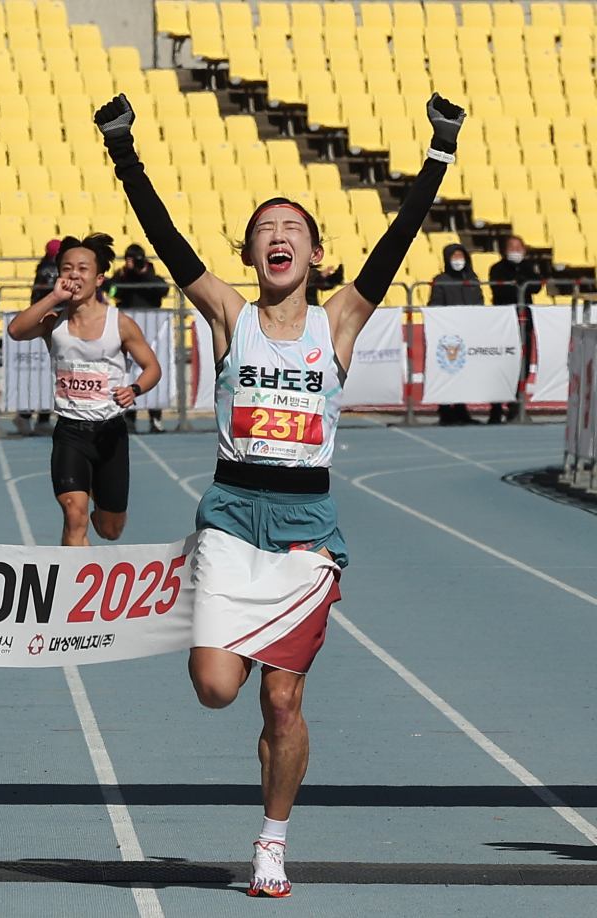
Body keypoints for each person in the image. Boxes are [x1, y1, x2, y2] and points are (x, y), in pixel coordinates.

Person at [95, 90, 465, 897]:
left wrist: (439, 154)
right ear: (251, 254)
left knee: (284, 702)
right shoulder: (231, 317)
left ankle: (271, 842)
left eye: (292, 228)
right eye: (265, 230)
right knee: (215, 688)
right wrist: (124, 152)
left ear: (317, 257)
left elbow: (397, 246)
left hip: (305, 529)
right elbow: (167, 243)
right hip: (230, 519)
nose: (278, 237)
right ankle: (230, 665)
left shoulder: (338, 323)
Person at [7, 233, 161, 547]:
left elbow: (152, 368)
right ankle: (74, 589)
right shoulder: (54, 322)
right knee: (73, 515)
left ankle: (102, 515)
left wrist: (134, 389)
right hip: (70, 434)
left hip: (109, 434)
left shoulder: (120, 324)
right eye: (66, 268)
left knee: (110, 529)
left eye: (82, 268)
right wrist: (52, 298)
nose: (74, 274)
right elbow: (15, 331)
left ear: (99, 277)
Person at [106, 243, 170, 433]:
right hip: (127, 329)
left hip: (153, 329)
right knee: (128, 372)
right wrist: (122, 279)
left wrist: (144, 273)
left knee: (153, 369)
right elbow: (111, 293)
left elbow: (163, 290)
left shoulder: (151, 275)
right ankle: (130, 417)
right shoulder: (122, 275)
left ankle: (155, 417)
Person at [488, 236, 542, 424]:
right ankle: (495, 408)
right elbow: (501, 291)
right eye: (512, 247)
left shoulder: (528, 267)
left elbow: (535, 287)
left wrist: (518, 283)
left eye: (519, 248)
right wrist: (520, 286)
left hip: (525, 321)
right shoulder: (497, 269)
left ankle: (516, 406)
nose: (515, 251)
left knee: (524, 365)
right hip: (504, 322)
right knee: (501, 365)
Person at [429, 243, 483, 426]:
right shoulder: (440, 280)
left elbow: (480, 303)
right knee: (446, 370)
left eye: (461, 255)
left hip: (469, 332)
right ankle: (445, 411)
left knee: (465, 373)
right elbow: (434, 305)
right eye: (454, 256)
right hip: (447, 335)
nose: (458, 260)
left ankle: (461, 409)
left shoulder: (473, 280)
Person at [14, 239, 61, 437]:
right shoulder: (50, 270)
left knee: (45, 375)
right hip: (47, 322)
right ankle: (30, 416)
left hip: (48, 322)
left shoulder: (44, 267)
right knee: (43, 374)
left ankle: (37, 417)